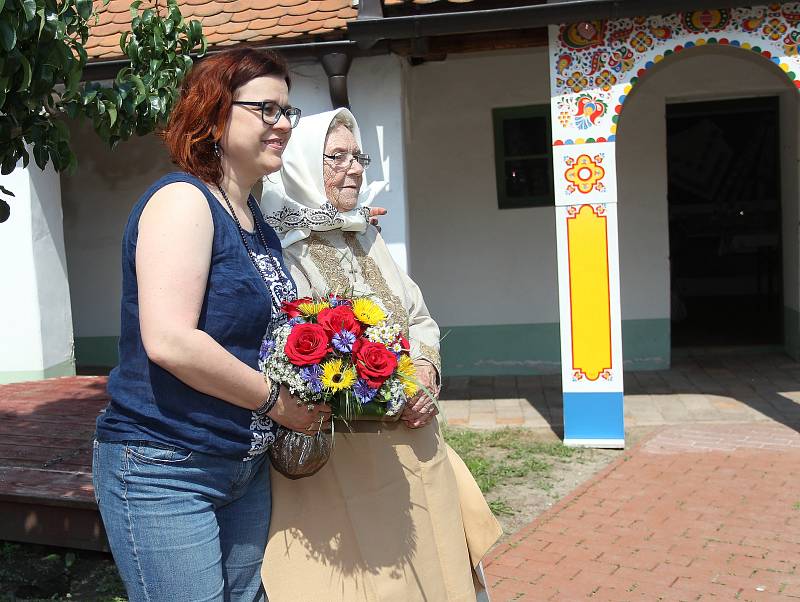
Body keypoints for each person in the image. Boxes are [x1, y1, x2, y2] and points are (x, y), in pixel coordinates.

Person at [91, 48, 331, 601]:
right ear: (215, 115)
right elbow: (171, 340)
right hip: (166, 467)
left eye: (287, 111)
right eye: (266, 109)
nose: (284, 125)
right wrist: (280, 404)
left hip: (239, 468)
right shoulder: (183, 201)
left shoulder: (254, 221)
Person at [260, 108, 502, 601]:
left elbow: (417, 317)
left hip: (414, 439)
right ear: (306, 163)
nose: (354, 168)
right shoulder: (281, 243)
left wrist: (425, 376)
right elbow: (285, 343)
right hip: (341, 454)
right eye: (337, 158)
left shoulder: (365, 233)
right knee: (367, 581)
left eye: (359, 157)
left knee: (437, 570)